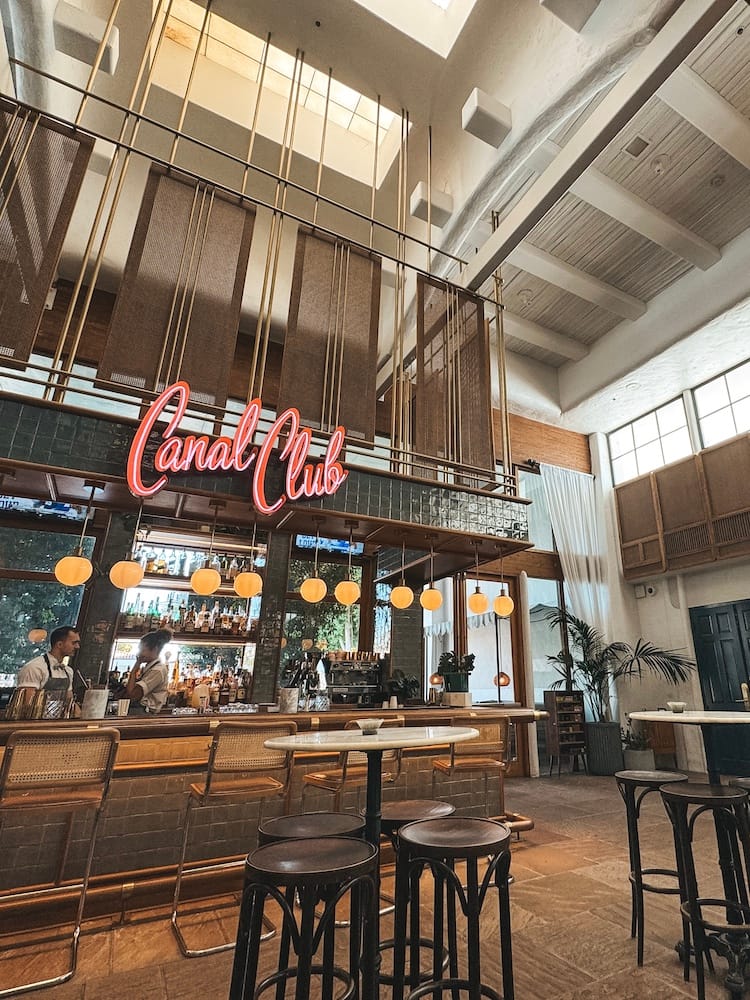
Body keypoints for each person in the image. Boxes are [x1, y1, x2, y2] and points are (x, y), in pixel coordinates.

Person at [17, 625, 80, 694]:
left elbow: (69, 698)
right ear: (59, 644)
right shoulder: (34, 668)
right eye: (74, 643)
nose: (77, 647)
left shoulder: (68, 671)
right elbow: (27, 699)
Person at [124, 629, 172, 716]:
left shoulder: (157, 670)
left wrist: (134, 669)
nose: (139, 654)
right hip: (140, 711)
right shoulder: (149, 667)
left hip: (144, 712)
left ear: (155, 649)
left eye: (143, 650)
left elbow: (132, 695)